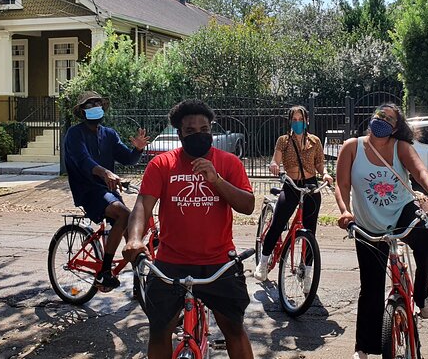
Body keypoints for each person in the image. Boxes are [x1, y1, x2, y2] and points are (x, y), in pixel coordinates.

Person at [123, 99, 255, 359]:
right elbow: (143, 205)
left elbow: (248, 205)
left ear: (212, 130)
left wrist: (216, 180)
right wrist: (134, 239)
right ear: (180, 134)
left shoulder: (229, 163)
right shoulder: (162, 164)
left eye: (204, 129)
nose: (199, 135)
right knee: (160, 330)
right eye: (191, 131)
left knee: (234, 329)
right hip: (171, 262)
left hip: (219, 263)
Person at [334, 103, 428, 359]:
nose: (381, 119)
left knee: (427, 240)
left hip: (401, 214)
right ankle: (364, 348)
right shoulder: (352, 147)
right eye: (379, 115)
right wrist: (344, 211)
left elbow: (420, 172)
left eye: (388, 118)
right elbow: (341, 185)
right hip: (366, 223)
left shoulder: (401, 148)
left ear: (396, 128)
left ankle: (421, 296)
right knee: (371, 288)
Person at [64, 91, 149, 291]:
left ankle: (140, 284)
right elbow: (83, 161)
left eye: (98, 103)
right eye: (90, 104)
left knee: (134, 232)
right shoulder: (74, 134)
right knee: (124, 214)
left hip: (109, 190)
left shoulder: (109, 134)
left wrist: (137, 149)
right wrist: (105, 173)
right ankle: (104, 272)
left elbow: (127, 159)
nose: (95, 106)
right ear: (82, 112)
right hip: (88, 190)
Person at [254, 105, 333, 286]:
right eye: (294, 119)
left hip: (310, 185)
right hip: (291, 185)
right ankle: (263, 262)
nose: (298, 123)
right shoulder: (284, 141)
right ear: (290, 121)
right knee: (278, 223)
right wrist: (274, 165)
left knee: (310, 232)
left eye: (300, 119)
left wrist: (326, 174)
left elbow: (320, 164)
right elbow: (276, 159)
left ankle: (307, 272)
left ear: (306, 121)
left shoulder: (315, 141)